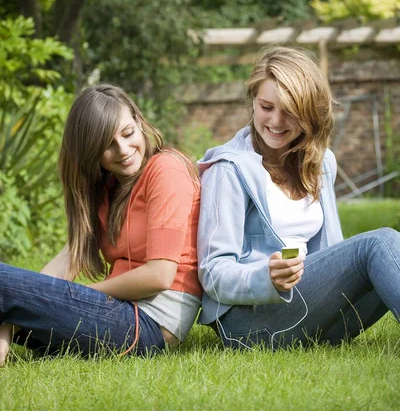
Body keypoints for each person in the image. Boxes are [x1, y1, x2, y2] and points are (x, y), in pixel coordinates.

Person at [197, 45, 400, 350]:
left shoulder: (321, 162)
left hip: (308, 309)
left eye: (290, 111)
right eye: (267, 107)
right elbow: (213, 272)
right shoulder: (228, 170)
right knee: (378, 244)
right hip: (247, 324)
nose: (276, 122)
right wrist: (266, 278)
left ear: (309, 112)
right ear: (253, 100)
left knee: (390, 256)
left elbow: (332, 254)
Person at [0, 84, 201, 364]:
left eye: (128, 133)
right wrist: (12, 319)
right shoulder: (108, 188)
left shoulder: (166, 169)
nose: (123, 150)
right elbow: (67, 261)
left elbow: (160, 275)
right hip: (117, 315)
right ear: (90, 152)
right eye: (107, 145)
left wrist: (76, 296)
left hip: (147, 326)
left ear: (139, 121)